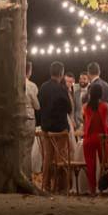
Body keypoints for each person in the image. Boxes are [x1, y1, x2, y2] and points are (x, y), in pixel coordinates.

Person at [38, 62, 74, 191]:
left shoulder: (43, 87)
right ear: (61, 73)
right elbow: (69, 109)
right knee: (61, 157)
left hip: (46, 127)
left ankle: (46, 185)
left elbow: (39, 104)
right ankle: (61, 186)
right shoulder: (61, 89)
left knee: (48, 157)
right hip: (60, 129)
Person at [81, 82, 108, 194]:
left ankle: (92, 189)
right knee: (104, 164)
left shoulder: (85, 107)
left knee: (90, 165)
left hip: (88, 139)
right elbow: (105, 123)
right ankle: (104, 188)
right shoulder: (105, 106)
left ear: (90, 93)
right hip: (101, 138)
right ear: (101, 93)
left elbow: (85, 123)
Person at [21, 62, 40, 173]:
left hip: (15, 119)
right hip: (29, 118)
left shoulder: (12, 84)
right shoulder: (31, 86)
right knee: (28, 148)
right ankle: (26, 174)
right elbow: (37, 106)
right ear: (29, 71)